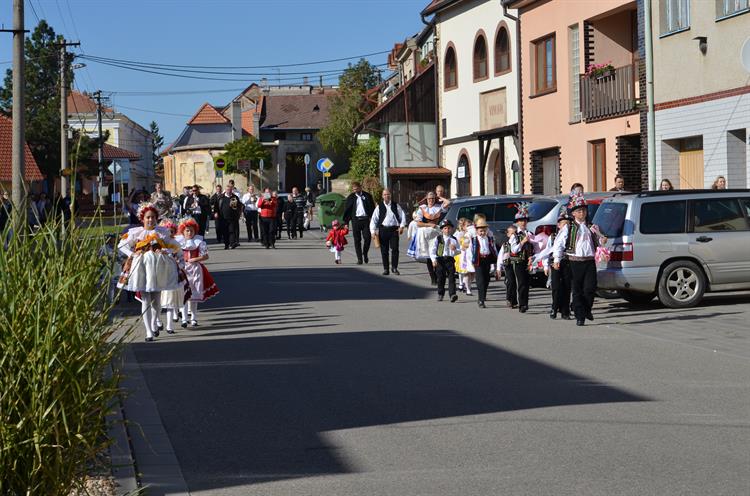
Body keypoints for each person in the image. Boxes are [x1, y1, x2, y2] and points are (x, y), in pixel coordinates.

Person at [117, 202, 181, 342]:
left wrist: (166, 251)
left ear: (156, 218)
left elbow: (176, 246)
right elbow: (121, 245)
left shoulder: (161, 232)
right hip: (142, 268)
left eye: (153, 217)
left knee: (156, 299)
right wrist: (132, 254)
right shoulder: (136, 232)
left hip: (158, 268)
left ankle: (155, 322)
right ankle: (148, 331)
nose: (150, 220)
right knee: (145, 299)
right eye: (148, 217)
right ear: (142, 218)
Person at [552, 193, 608, 326]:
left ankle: (587, 309)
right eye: (579, 211)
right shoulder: (568, 227)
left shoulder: (592, 227)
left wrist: (603, 240)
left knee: (590, 288)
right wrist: (556, 259)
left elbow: (599, 241)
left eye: (584, 210)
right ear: (574, 214)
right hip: (574, 261)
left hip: (589, 261)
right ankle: (580, 316)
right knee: (577, 290)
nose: (582, 212)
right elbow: (558, 244)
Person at [177, 217, 219, 327]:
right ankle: (184, 319)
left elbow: (205, 256)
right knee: (183, 294)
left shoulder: (199, 241)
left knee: (194, 295)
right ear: (183, 231)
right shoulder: (179, 242)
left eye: (191, 230)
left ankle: (194, 318)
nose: (189, 232)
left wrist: (194, 259)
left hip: (195, 270)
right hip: (183, 269)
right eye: (187, 230)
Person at [157, 219, 189, 332]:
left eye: (170, 231)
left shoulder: (175, 243)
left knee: (171, 301)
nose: (168, 233)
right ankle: (157, 322)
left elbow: (181, 257)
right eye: (165, 231)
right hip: (159, 275)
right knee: (157, 301)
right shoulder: (156, 243)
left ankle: (169, 326)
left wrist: (179, 265)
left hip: (172, 275)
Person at [412, 191, 449, 284]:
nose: (431, 200)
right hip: (426, 234)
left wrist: (439, 196)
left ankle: (438, 274)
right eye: (429, 198)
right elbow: (418, 223)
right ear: (426, 199)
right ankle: (433, 277)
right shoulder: (422, 208)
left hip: (436, 233)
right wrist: (428, 224)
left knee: (437, 254)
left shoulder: (438, 207)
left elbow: (448, 203)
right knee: (428, 256)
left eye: (432, 198)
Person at [369, 188, 406, 275]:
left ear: (390, 195)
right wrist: (372, 231)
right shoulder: (379, 206)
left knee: (395, 249)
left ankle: (394, 268)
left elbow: (402, 216)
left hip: (394, 230)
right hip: (383, 230)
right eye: (385, 195)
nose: (387, 196)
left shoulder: (396, 205)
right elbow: (374, 220)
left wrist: (402, 226)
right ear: (382, 196)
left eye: (388, 194)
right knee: (384, 250)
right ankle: (386, 269)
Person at [544, 211, 572, 320]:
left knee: (566, 287)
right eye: (563, 224)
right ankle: (554, 308)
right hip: (555, 264)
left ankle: (565, 311)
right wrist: (546, 266)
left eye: (567, 224)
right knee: (556, 287)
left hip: (568, 263)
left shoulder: (572, 236)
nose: (565, 226)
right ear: (558, 225)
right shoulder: (553, 236)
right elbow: (547, 251)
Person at [508, 202, 535, 313]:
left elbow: (535, 246)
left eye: (524, 220)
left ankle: (525, 302)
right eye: (521, 221)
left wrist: (533, 257)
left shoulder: (530, 233)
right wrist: (523, 242)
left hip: (528, 261)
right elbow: (513, 250)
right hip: (518, 261)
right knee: (521, 282)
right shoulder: (515, 235)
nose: (523, 222)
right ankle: (522, 304)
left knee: (527, 283)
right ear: (517, 223)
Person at [342, 181, 375, 265]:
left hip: (365, 220)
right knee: (357, 240)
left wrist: (374, 220)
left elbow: (372, 208)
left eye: (356, 189)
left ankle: (365, 253)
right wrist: (346, 223)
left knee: (367, 238)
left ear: (360, 188)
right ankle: (359, 259)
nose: (355, 191)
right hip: (355, 220)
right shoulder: (351, 197)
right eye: (353, 189)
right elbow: (347, 210)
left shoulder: (367, 196)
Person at [430, 219, 460, 302]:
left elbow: (459, 250)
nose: (447, 230)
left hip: (450, 260)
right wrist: (433, 260)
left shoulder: (454, 239)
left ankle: (452, 294)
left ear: (452, 229)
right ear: (442, 229)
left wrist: (455, 249)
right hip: (440, 260)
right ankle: (440, 293)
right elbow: (432, 250)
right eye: (445, 228)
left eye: (449, 228)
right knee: (441, 278)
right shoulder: (438, 239)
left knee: (452, 278)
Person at [471, 218, 497, 308]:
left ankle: (483, 295)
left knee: (486, 279)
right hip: (479, 260)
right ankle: (481, 300)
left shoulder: (489, 238)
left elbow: (493, 248)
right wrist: (471, 262)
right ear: (477, 231)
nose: (482, 232)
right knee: (480, 280)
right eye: (480, 231)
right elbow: (470, 251)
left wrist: (495, 261)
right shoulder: (473, 240)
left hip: (487, 259)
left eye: (484, 230)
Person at [497, 225, 518, 308]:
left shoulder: (518, 244)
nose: (513, 235)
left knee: (516, 283)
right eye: (511, 233)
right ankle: (509, 299)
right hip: (508, 265)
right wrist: (498, 268)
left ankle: (514, 301)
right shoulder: (505, 245)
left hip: (516, 264)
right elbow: (500, 256)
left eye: (515, 233)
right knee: (510, 282)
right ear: (508, 234)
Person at [216, 184, 241, 249]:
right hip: (223, 217)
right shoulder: (221, 197)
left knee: (232, 231)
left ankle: (232, 244)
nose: (229, 191)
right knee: (225, 232)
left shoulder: (234, 197)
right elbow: (216, 206)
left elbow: (239, 206)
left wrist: (235, 207)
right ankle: (226, 244)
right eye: (227, 190)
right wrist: (216, 213)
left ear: (231, 190)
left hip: (232, 217)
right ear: (225, 190)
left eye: (230, 190)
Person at [456, 218, 475, 295]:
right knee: (465, 272)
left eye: (470, 225)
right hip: (463, 256)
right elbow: (457, 244)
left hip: (472, 256)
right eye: (467, 225)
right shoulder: (461, 234)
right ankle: (467, 289)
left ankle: (466, 283)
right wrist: (461, 247)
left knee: (473, 274)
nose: (469, 227)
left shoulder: (473, 234)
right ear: (463, 227)